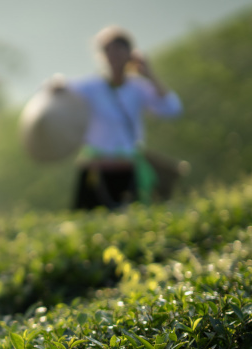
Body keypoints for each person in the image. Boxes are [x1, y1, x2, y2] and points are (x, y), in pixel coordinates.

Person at [65, 25, 182, 210]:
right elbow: (61, 90)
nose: (113, 56)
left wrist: (149, 74)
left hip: (127, 168)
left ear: (130, 53)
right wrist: (54, 87)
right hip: (96, 169)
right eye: (107, 51)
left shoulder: (138, 87)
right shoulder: (91, 87)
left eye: (119, 49)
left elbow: (172, 108)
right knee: (89, 222)